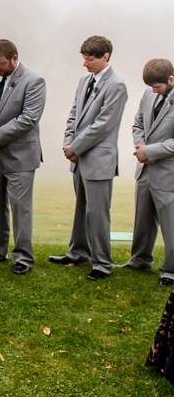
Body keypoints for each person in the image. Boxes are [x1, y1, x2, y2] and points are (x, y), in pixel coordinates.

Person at [48, 36, 127, 280]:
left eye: (89, 58)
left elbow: (103, 125)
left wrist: (76, 147)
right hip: (79, 157)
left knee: (98, 213)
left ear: (106, 56)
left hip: (99, 159)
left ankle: (103, 263)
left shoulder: (117, 86)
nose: (85, 63)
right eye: (83, 57)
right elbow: (73, 115)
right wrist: (67, 143)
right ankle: (78, 252)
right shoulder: (84, 81)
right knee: (81, 208)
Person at [0, 39, 47, 275]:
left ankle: (23, 257)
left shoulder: (33, 81)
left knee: (20, 208)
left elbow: (29, 118)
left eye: (1, 64)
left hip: (20, 156)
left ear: (14, 58)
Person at [123, 59, 174, 286]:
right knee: (142, 219)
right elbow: (138, 124)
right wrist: (140, 146)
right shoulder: (147, 94)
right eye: (151, 87)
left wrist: (150, 152)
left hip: (168, 173)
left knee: (170, 223)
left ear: (171, 80)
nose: (154, 91)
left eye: (158, 87)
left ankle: (170, 271)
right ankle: (140, 259)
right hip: (144, 169)